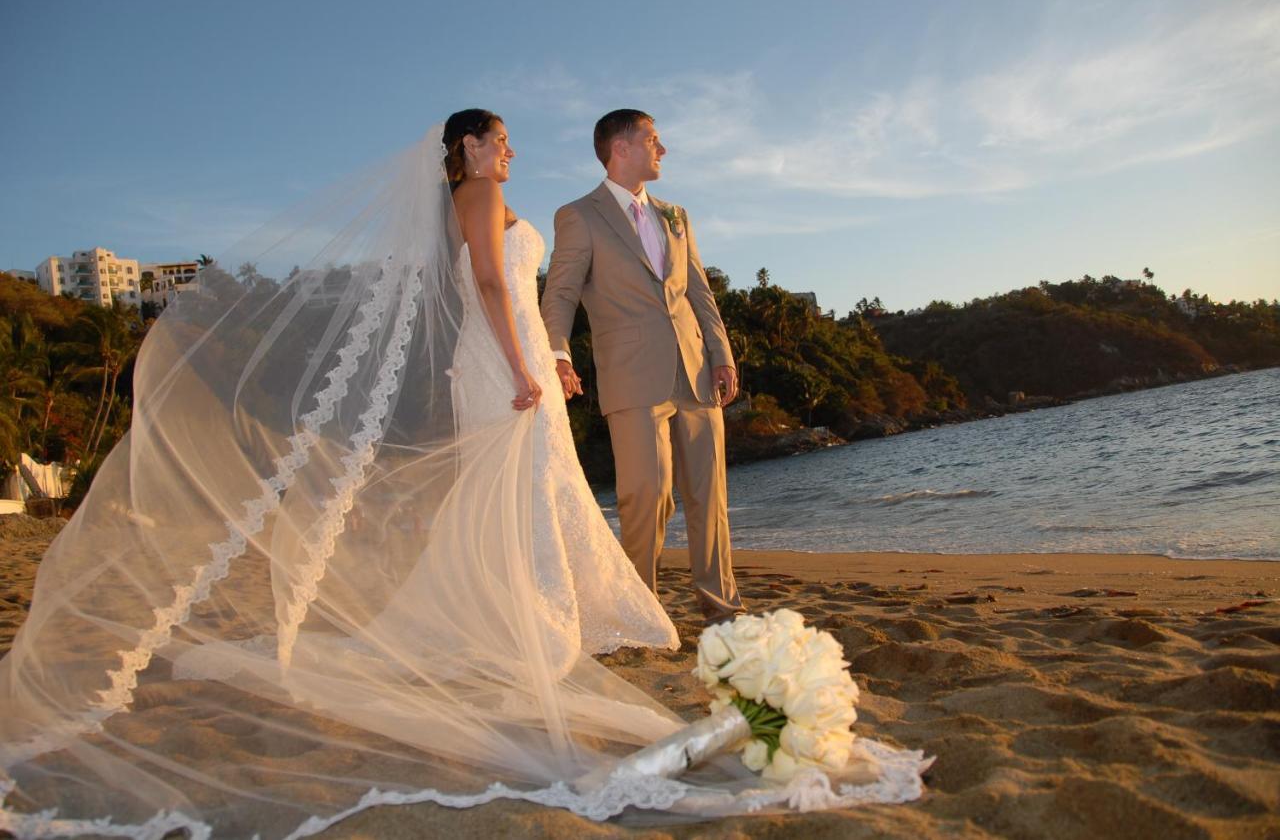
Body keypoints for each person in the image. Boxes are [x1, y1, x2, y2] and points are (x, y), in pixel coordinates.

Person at [0, 112, 926, 839]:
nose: (512, 152)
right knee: (522, 491)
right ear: (469, 147)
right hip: (498, 360)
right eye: (502, 140)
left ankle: (555, 610)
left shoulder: (487, 201)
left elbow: (515, 292)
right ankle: (536, 620)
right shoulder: (477, 201)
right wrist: (524, 369)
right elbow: (489, 287)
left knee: (539, 490)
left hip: (516, 352)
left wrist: (552, 359)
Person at [542, 109, 746, 625]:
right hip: (631, 375)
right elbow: (561, 292)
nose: (663, 149)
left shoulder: (676, 215)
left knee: (709, 493)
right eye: (652, 139)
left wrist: (721, 354)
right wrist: (558, 355)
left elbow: (698, 289)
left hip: (696, 371)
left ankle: (720, 605)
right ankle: (640, 609)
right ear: (620, 148)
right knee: (646, 497)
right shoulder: (579, 215)